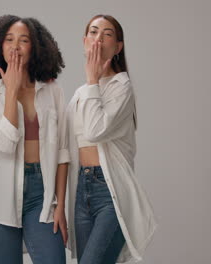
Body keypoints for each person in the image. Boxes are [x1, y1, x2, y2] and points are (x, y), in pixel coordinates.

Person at [0, 15, 69, 264]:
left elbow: (62, 151)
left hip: (42, 192)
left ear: (34, 47)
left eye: (23, 40)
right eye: (9, 39)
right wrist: (11, 92)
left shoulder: (53, 91)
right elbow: (5, 145)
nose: (15, 46)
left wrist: (60, 205)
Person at [65, 14, 157, 264]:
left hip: (109, 191)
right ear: (84, 41)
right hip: (81, 191)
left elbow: (95, 131)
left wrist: (93, 79)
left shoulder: (121, 86)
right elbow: (65, 145)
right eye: (93, 32)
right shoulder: (80, 94)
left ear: (118, 47)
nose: (98, 39)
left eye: (106, 34)